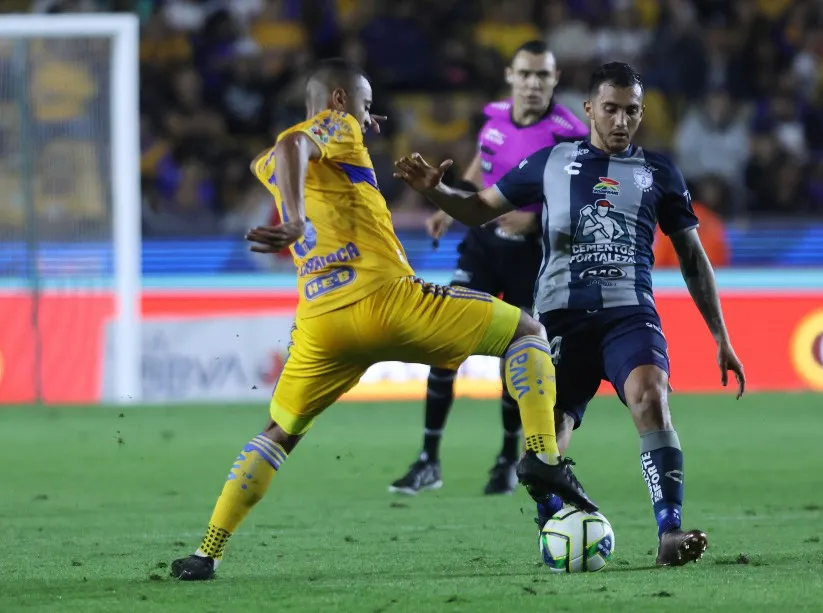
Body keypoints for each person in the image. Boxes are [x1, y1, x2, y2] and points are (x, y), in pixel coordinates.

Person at [169, 59, 596, 581]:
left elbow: (288, 154)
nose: (371, 122)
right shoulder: (331, 130)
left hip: (323, 324)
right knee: (527, 332)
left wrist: (315, 185)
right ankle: (541, 461)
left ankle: (207, 552)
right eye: (366, 107)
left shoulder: (275, 161)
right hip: (389, 301)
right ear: (340, 102)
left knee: (279, 431)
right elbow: (295, 145)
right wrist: (296, 217)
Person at [393, 61, 746, 567]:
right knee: (548, 432)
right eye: (611, 109)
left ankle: (669, 533)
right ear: (588, 110)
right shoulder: (552, 161)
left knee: (651, 394)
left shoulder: (659, 172)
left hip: (629, 313)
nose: (621, 120)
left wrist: (721, 335)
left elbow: (692, 256)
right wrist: (436, 191)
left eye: (631, 111)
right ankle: (554, 527)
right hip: (562, 318)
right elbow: (478, 209)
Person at [389, 40, 588, 497]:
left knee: (513, 358)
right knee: (444, 339)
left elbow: (582, 197)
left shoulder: (570, 133)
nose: (534, 83)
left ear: (555, 80)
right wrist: (450, 203)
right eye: (526, 74)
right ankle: (427, 461)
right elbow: (484, 163)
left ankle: (504, 460)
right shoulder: (495, 115)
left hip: (531, 256)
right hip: (482, 245)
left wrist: (535, 218)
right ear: (510, 76)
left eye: (543, 75)